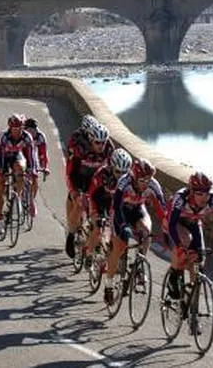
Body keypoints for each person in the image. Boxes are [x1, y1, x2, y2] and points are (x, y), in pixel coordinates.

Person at [104, 158, 168, 306]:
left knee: (146, 231)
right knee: (119, 246)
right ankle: (108, 284)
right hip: (121, 212)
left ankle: (139, 263)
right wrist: (123, 226)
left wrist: (166, 230)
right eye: (142, 180)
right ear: (134, 177)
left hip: (138, 210)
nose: (146, 183)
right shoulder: (123, 183)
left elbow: (162, 210)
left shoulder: (153, 185)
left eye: (149, 179)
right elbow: (117, 208)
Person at [166, 171, 213, 300]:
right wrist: (179, 246)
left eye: (207, 192)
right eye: (199, 193)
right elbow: (171, 225)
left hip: (194, 223)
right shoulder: (181, 198)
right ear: (192, 191)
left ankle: (191, 301)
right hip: (176, 223)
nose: (204, 197)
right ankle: (174, 275)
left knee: (200, 260)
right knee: (185, 243)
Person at [64, 122, 114, 258]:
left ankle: (96, 237)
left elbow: (112, 172)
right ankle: (71, 234)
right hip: (79, 176)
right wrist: (74, 191)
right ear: (91, 140)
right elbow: (70, 172)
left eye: (103, 142)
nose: (101, 146)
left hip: (96, 179)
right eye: (97, 143)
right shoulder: (80, 149)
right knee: (79, 204)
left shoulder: (109, 149)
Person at [83, 148, 132, 267]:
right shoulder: (102, 174)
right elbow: (91, 193)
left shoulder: (129, 180)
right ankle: (89, 254)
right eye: (118, 172)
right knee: (98, 229)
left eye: (124, 173)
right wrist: (91, 212)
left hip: (114, 203)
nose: (121, 176)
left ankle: (110, 253)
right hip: (99, 200)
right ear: (111, 167)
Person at [0, 114, 36, 235]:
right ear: (10, 128)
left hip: (16, 155)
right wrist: (0, 171)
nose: (17, 131)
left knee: (20, 171)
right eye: (14, 128)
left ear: (23, 127)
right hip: (2, 157)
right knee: (0, 185)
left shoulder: (27, 137)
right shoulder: (4, 136)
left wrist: (31, 170)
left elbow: (31, 156)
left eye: (19, 128)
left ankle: (18, 197)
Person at [24, 117, 49, 216]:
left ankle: (32, 200)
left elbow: (44, 154)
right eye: (29, 130)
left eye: (33, 130)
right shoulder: (23, 135)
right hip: (21, 152)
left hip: (33, 154)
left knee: (35, 178)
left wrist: (45, 167)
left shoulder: (40, 136)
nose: (32, 132)